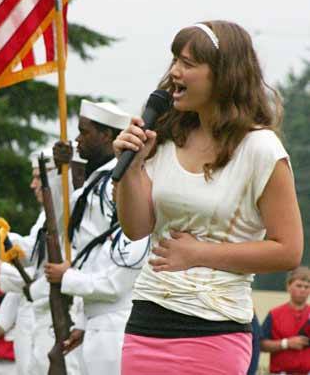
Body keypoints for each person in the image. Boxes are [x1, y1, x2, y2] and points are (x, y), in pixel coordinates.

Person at [114, 20, 303, 375]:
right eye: (174, 60)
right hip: (146, 322)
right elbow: (136, 228)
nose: (174, 72)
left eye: (187, 63)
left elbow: (289, 249)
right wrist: (132, 169)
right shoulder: (167, 138)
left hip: (214, 329)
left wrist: (199, 253)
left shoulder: (260, 149)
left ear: (224, 74)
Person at [44, 101, 150, 375]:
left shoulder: (121, 184)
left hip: (115, 324)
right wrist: (59, 171)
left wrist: (67, 277)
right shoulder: (96, 182)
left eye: (84, 132)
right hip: (94, 320)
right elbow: (57, 220)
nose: (77, 139)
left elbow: (119, 277)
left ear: (106, 136)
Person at [0, 145, 83, 375]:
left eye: (38, 177)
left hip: (57, 317)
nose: (33, 185)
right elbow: (31, 256)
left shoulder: (71, 217)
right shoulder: (44, 218)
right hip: (32, 318)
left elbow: (41, 279)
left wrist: (1, 270)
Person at [260, 265, 310, 374]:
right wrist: (286, 343)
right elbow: (260, 344)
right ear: (288, 286)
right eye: (299, 285)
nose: (303, 290)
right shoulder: (275, 314)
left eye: (306, 287)